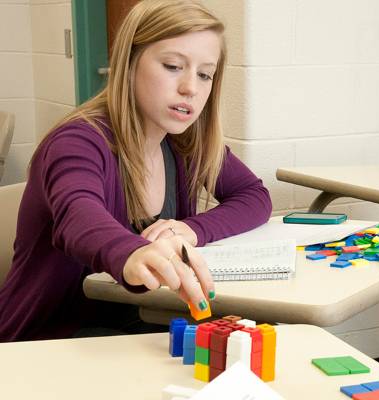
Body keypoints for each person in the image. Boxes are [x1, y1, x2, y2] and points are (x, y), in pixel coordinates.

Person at [0, 0, 272, 342]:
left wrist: (190, 230)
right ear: (129, 63)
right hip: (51, 337)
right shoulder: (77, 141)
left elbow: (254, 196)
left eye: (205, 74)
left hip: (142, 321)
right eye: (173, 66)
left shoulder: (185, 142)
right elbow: (78, 216)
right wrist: (132, 251)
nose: (191, 87)